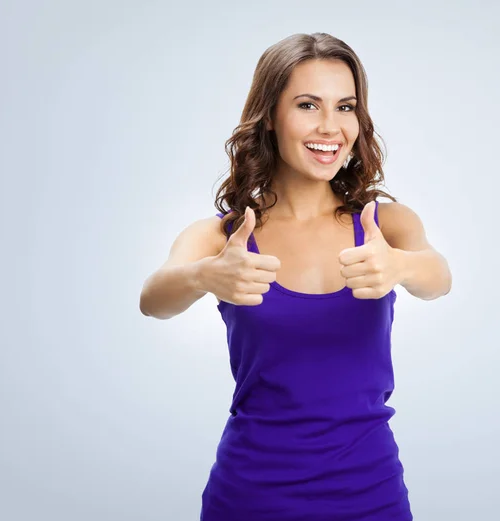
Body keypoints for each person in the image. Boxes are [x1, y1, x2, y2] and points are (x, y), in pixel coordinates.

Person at [139, 32, 452, 521]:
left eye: (345, 107)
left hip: (371, 494)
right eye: (308, 105)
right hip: (249, 496)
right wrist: (206, 276)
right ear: (270, 116)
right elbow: (153, 299)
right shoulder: (224, 236)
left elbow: (438, 277)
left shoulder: (385, 224)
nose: (330, 126)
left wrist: (400, 265)